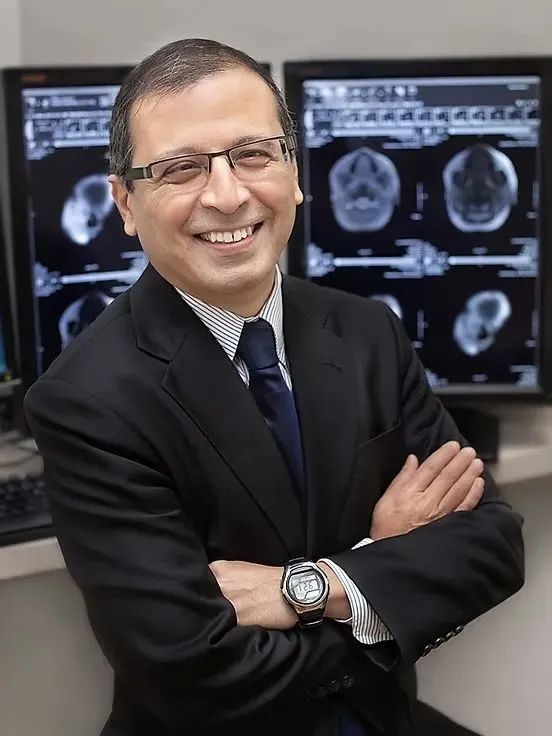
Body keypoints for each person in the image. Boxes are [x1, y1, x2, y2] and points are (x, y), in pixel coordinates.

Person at [24, 38, 524, 736]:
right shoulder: (86, 401)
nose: (227, 195)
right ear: (125, 203)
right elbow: (196, 675)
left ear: (293, 172)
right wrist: (382, 570)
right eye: (181, 168)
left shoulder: (367, 332)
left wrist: (308, 588)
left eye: (253, 155)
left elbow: (493, 546)